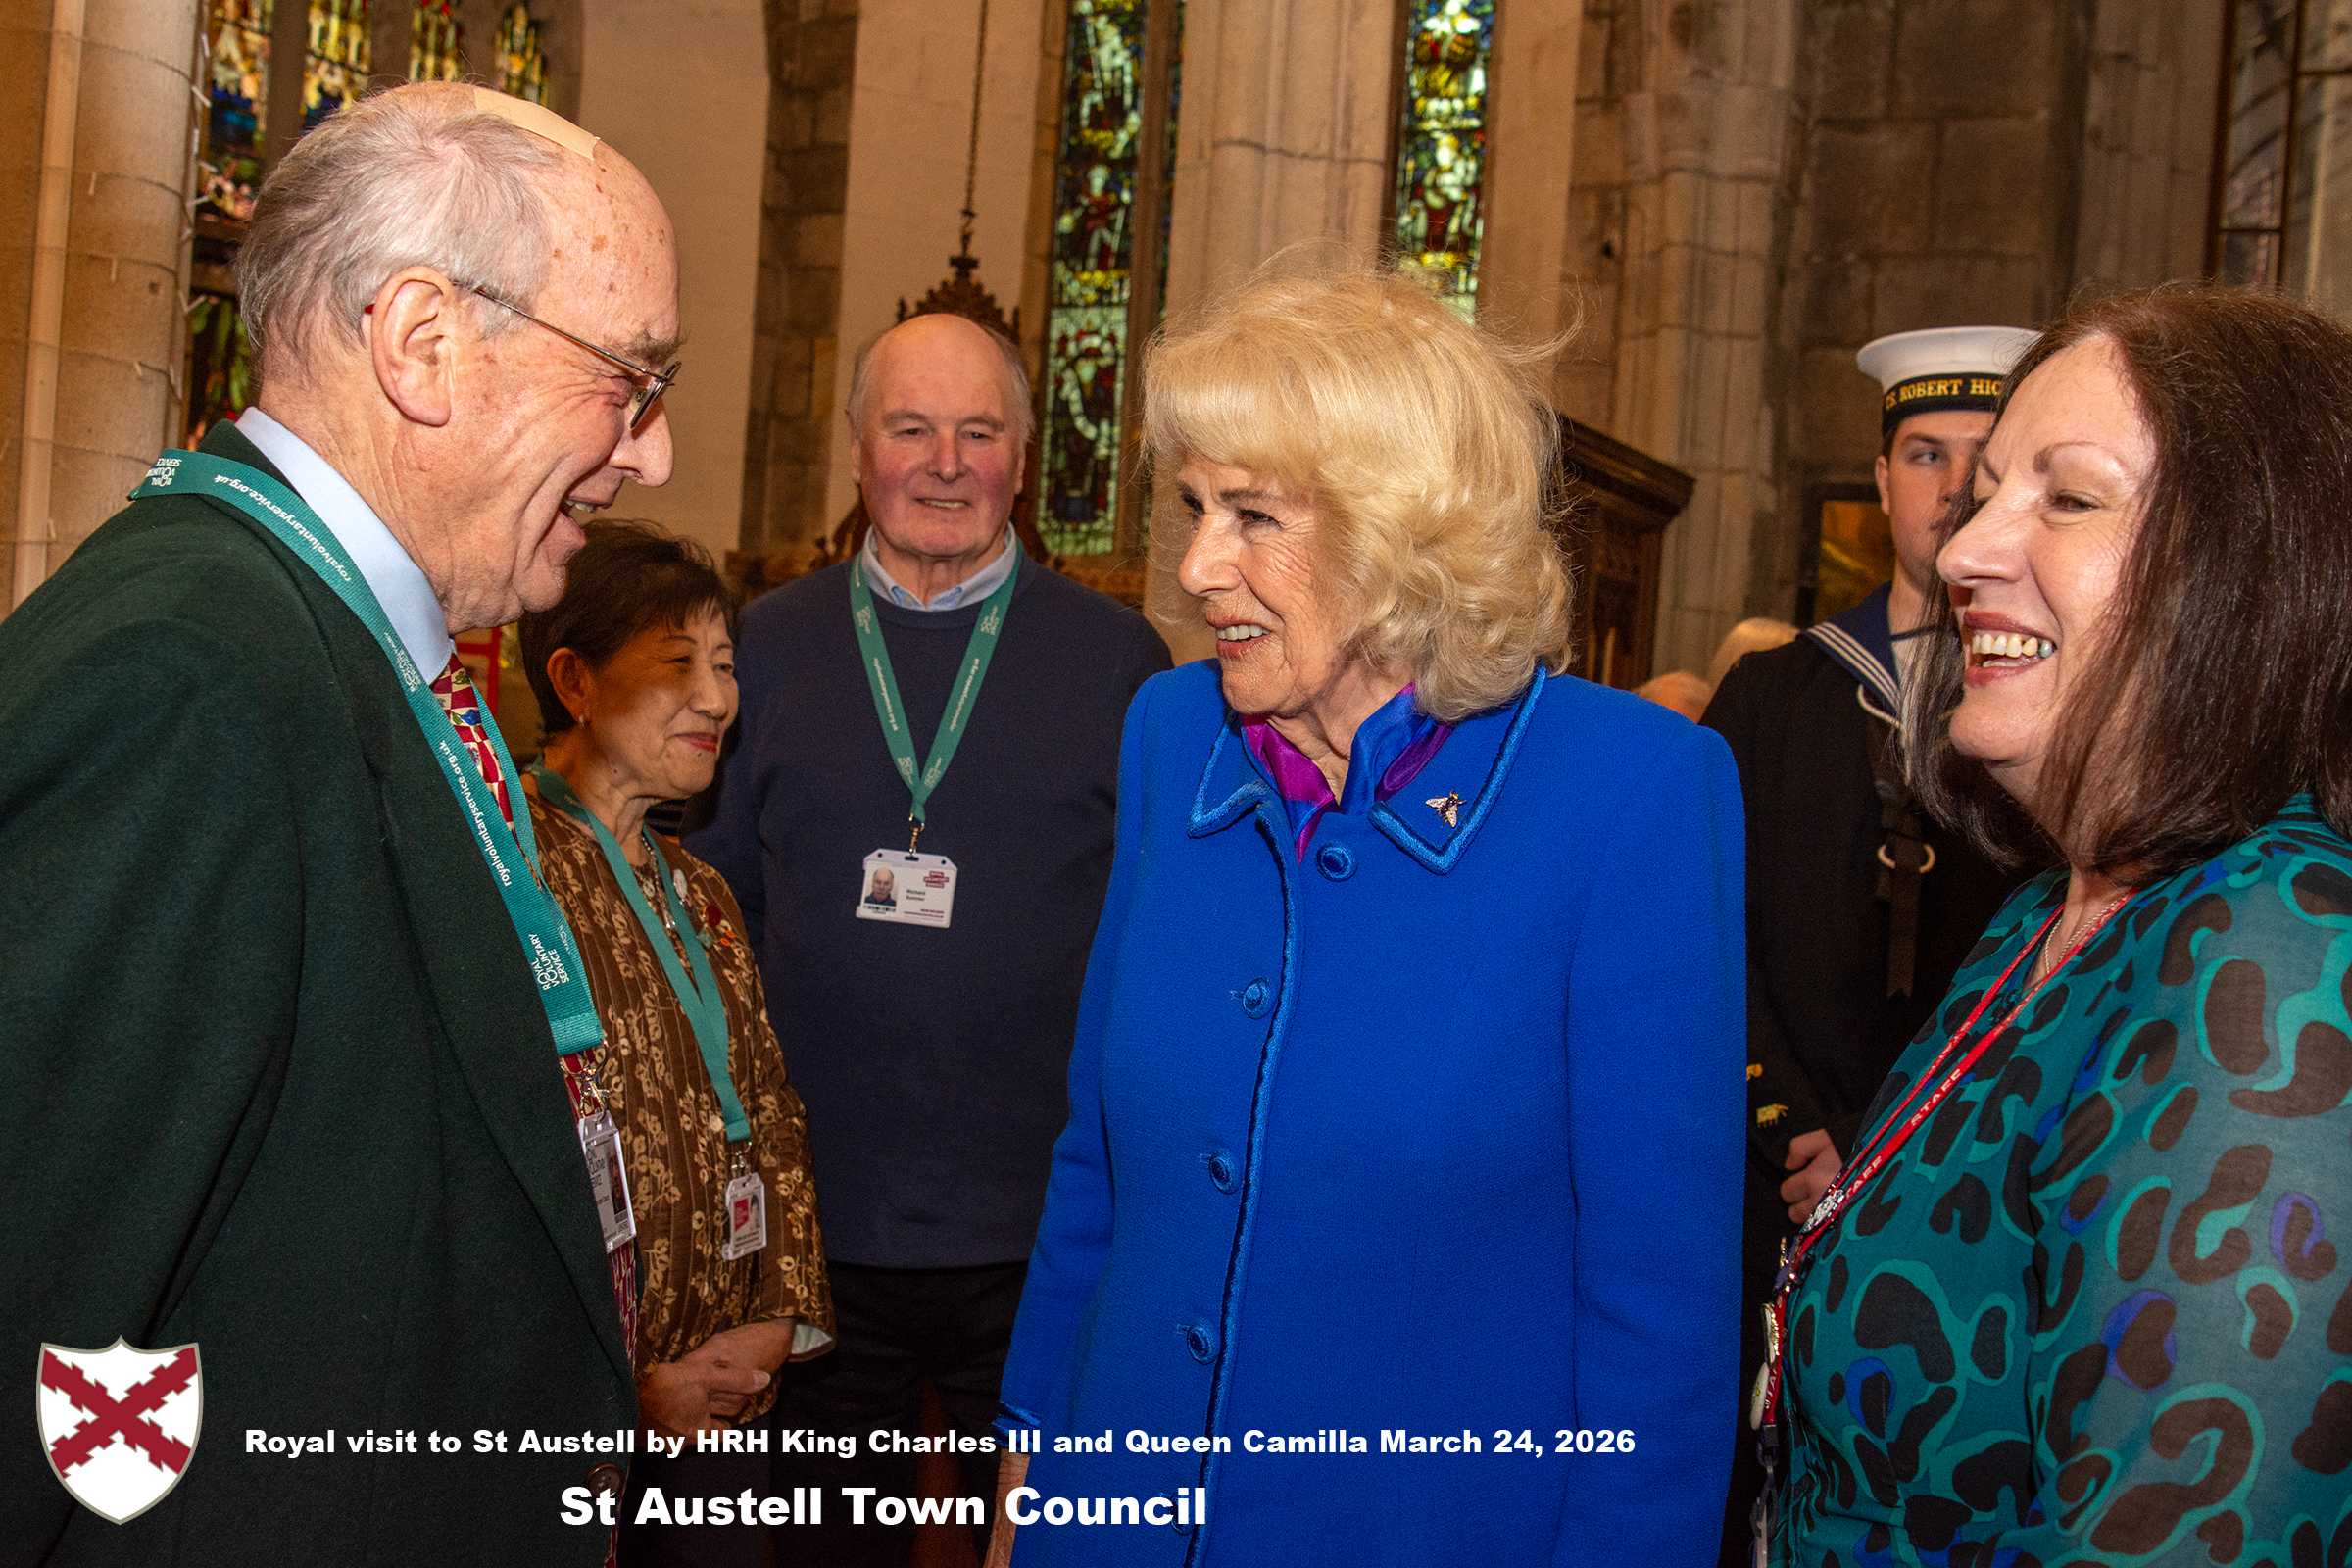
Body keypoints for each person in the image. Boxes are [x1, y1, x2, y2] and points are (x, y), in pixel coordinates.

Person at [0, 85, 677, 1563]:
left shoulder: (344, 644)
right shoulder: (189, 676)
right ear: (424, 342)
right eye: (632, 377)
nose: (653, 452)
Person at [986, 264, 1745, 1566]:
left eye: (1253, 516)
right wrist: (1026, 1496)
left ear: (1407, 534)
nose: (1196, 565)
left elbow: (1659, 1318)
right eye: (1192, 507)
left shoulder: (1633, 792)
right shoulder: (1173, 733)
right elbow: (1096, 1167)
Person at [1762, 284, 2352, 1562]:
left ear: (2250, 564)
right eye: (1981, 492)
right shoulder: (2050, 906)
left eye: (2067, 497)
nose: (1969, 548)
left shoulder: (2279, 949)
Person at [689, 311, 1170, 1564]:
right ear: (859, 452)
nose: (945, 462)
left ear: (1023, 457)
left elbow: (1162, 937)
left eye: (979, 431)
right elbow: (711, 921)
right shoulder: (763, 648)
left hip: (1045, 1227)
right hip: (813, 1229)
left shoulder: (1122, 662)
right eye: (912, 429)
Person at [1701, 326, 2031, 1558]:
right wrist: (1790, 1129)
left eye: (1984, 462)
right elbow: (1705, 947)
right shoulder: (1773, 697)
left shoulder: (2056, 712)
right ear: (1881, 481)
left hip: (1973, 1198)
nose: (1952, 487)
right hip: (1777, 1180)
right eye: (1924, 453)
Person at [517, 521, 836, 1568]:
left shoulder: (697, 889)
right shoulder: (505, 870)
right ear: (575, 679)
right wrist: (621, 1380)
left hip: (728, 1401)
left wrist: (777, 1319)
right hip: (580, 1416)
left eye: (727, 664)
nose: (717, 698)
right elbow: (496, 1171)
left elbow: (774, 1109)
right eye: (677, 664)